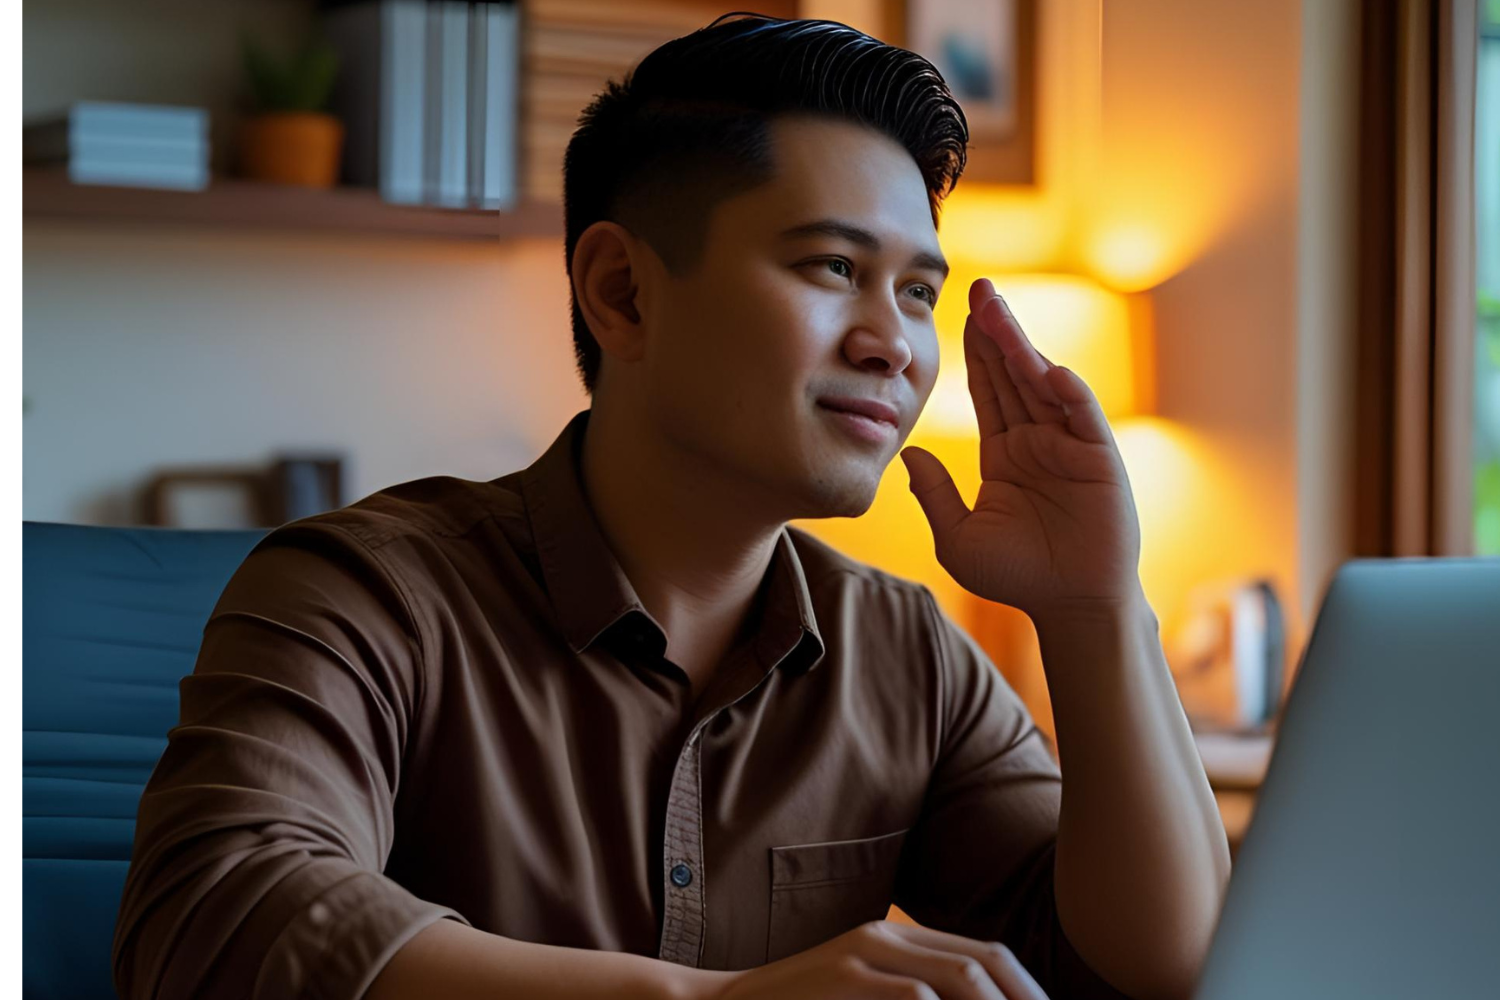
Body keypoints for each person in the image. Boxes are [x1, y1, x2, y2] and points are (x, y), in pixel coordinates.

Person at [112, 13, 1229, 1000]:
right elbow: (217, 922)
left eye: (918, 291)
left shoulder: (906, 654)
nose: (893, 343)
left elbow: (1154, 968)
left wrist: (1095, 611)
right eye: (834, 268)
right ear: (623, 293)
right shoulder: (365, 593)